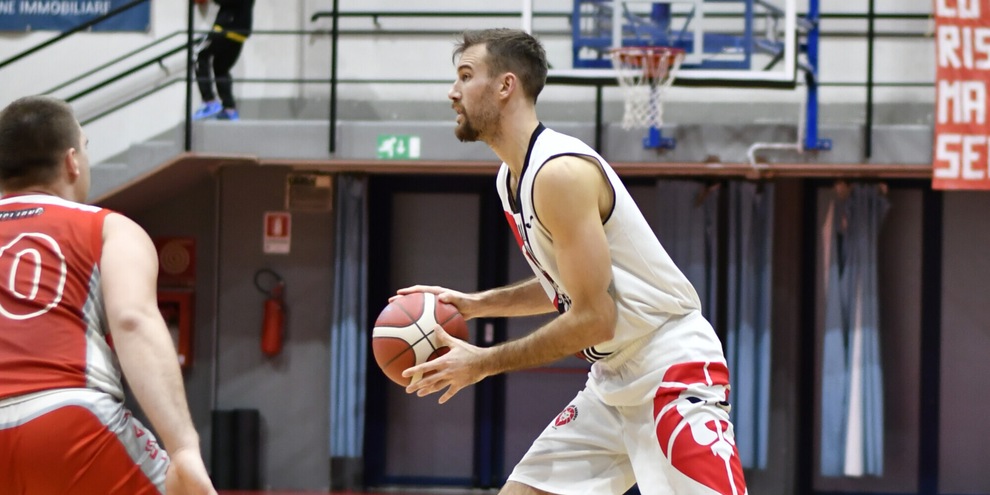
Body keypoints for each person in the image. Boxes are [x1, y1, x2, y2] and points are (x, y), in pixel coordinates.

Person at [397, 29, 748, 495]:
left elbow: (594, 318)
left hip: (669, 369)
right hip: (611, 381)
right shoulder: (510, 180)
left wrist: (483, 362)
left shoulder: (559, 173)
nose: (453, 91)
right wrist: (474, 305)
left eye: (466, 76)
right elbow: (564, 285)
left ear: (506, 86)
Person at [0, 95, 216, 494]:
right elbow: (133, 320)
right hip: (64, 416)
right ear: (72, 162)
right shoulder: (108, 228)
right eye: (85, 146)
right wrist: (184, 448)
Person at [193, 0, 256, 121]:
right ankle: (229, 108)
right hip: (241, 31)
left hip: (227, 27)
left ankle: (209, 101)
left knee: (199, 54)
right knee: (221, 68)